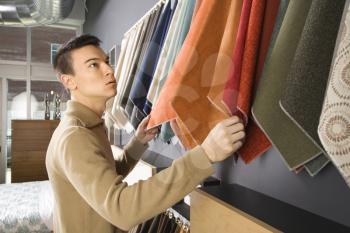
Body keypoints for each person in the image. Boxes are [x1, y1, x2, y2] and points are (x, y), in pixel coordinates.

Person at [46, 34, 245, 233]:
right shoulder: (75, 136)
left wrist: (138, 142)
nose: (109, 70)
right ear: (69, 81)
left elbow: (105, 175)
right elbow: (121, 208)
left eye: (106, 62)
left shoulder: (90, 125)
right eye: (93, 65)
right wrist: (206, 154)